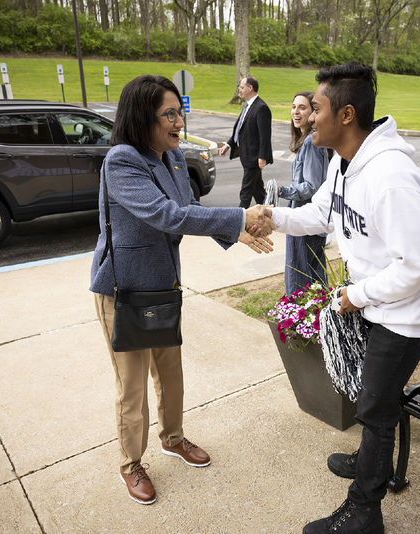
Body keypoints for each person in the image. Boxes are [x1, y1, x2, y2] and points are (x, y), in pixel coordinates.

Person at [265, 62, 420, 534]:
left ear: (346, 115)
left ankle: (365, 510)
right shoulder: (344, 163)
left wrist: (356, 296)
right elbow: (320, 213)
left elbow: (418, 263)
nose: (308, 118)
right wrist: (272, 217)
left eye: (317, 109)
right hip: (379, 302)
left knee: (375, 406)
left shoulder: (388, 176)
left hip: (406, 313)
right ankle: (372, 458)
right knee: (372, 397)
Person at [90, 74, 274, 505]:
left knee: (170, 375)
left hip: (163, 286)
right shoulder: (122, 161)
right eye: (168, 114)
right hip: (123, 291)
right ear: (143, 117)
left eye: (180, 112)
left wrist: (236, 233)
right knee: (131, 388)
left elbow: (189, 208)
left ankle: (173, 438)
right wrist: (239, 217)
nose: (178, 121)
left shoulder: (171, 157)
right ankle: (130, 463)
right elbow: (166, 215)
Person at [279, 90, 330, 295]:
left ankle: (301, 323)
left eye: (302, 107)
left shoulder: (310, 142)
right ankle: (318, 321)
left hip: (304, 223)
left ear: (312, 114)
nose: (296, 112)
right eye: (293, 107)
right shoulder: (308, 140)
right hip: (311, 223)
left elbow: (311, 186)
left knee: (300, 281)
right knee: (315, 279)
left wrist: (283, 190)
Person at [218, 76, 274, 208]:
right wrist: (228, 144)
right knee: (257, 190)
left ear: (250, 88)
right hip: (246, 156)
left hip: (254, 158)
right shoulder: (248, 106)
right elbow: (239, 129)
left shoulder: (261, 108)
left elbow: (265, 135)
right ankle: (271, 212)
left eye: (242, 87)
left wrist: (262, 156)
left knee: (246, 191)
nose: (240, 90)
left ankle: (240, 220)